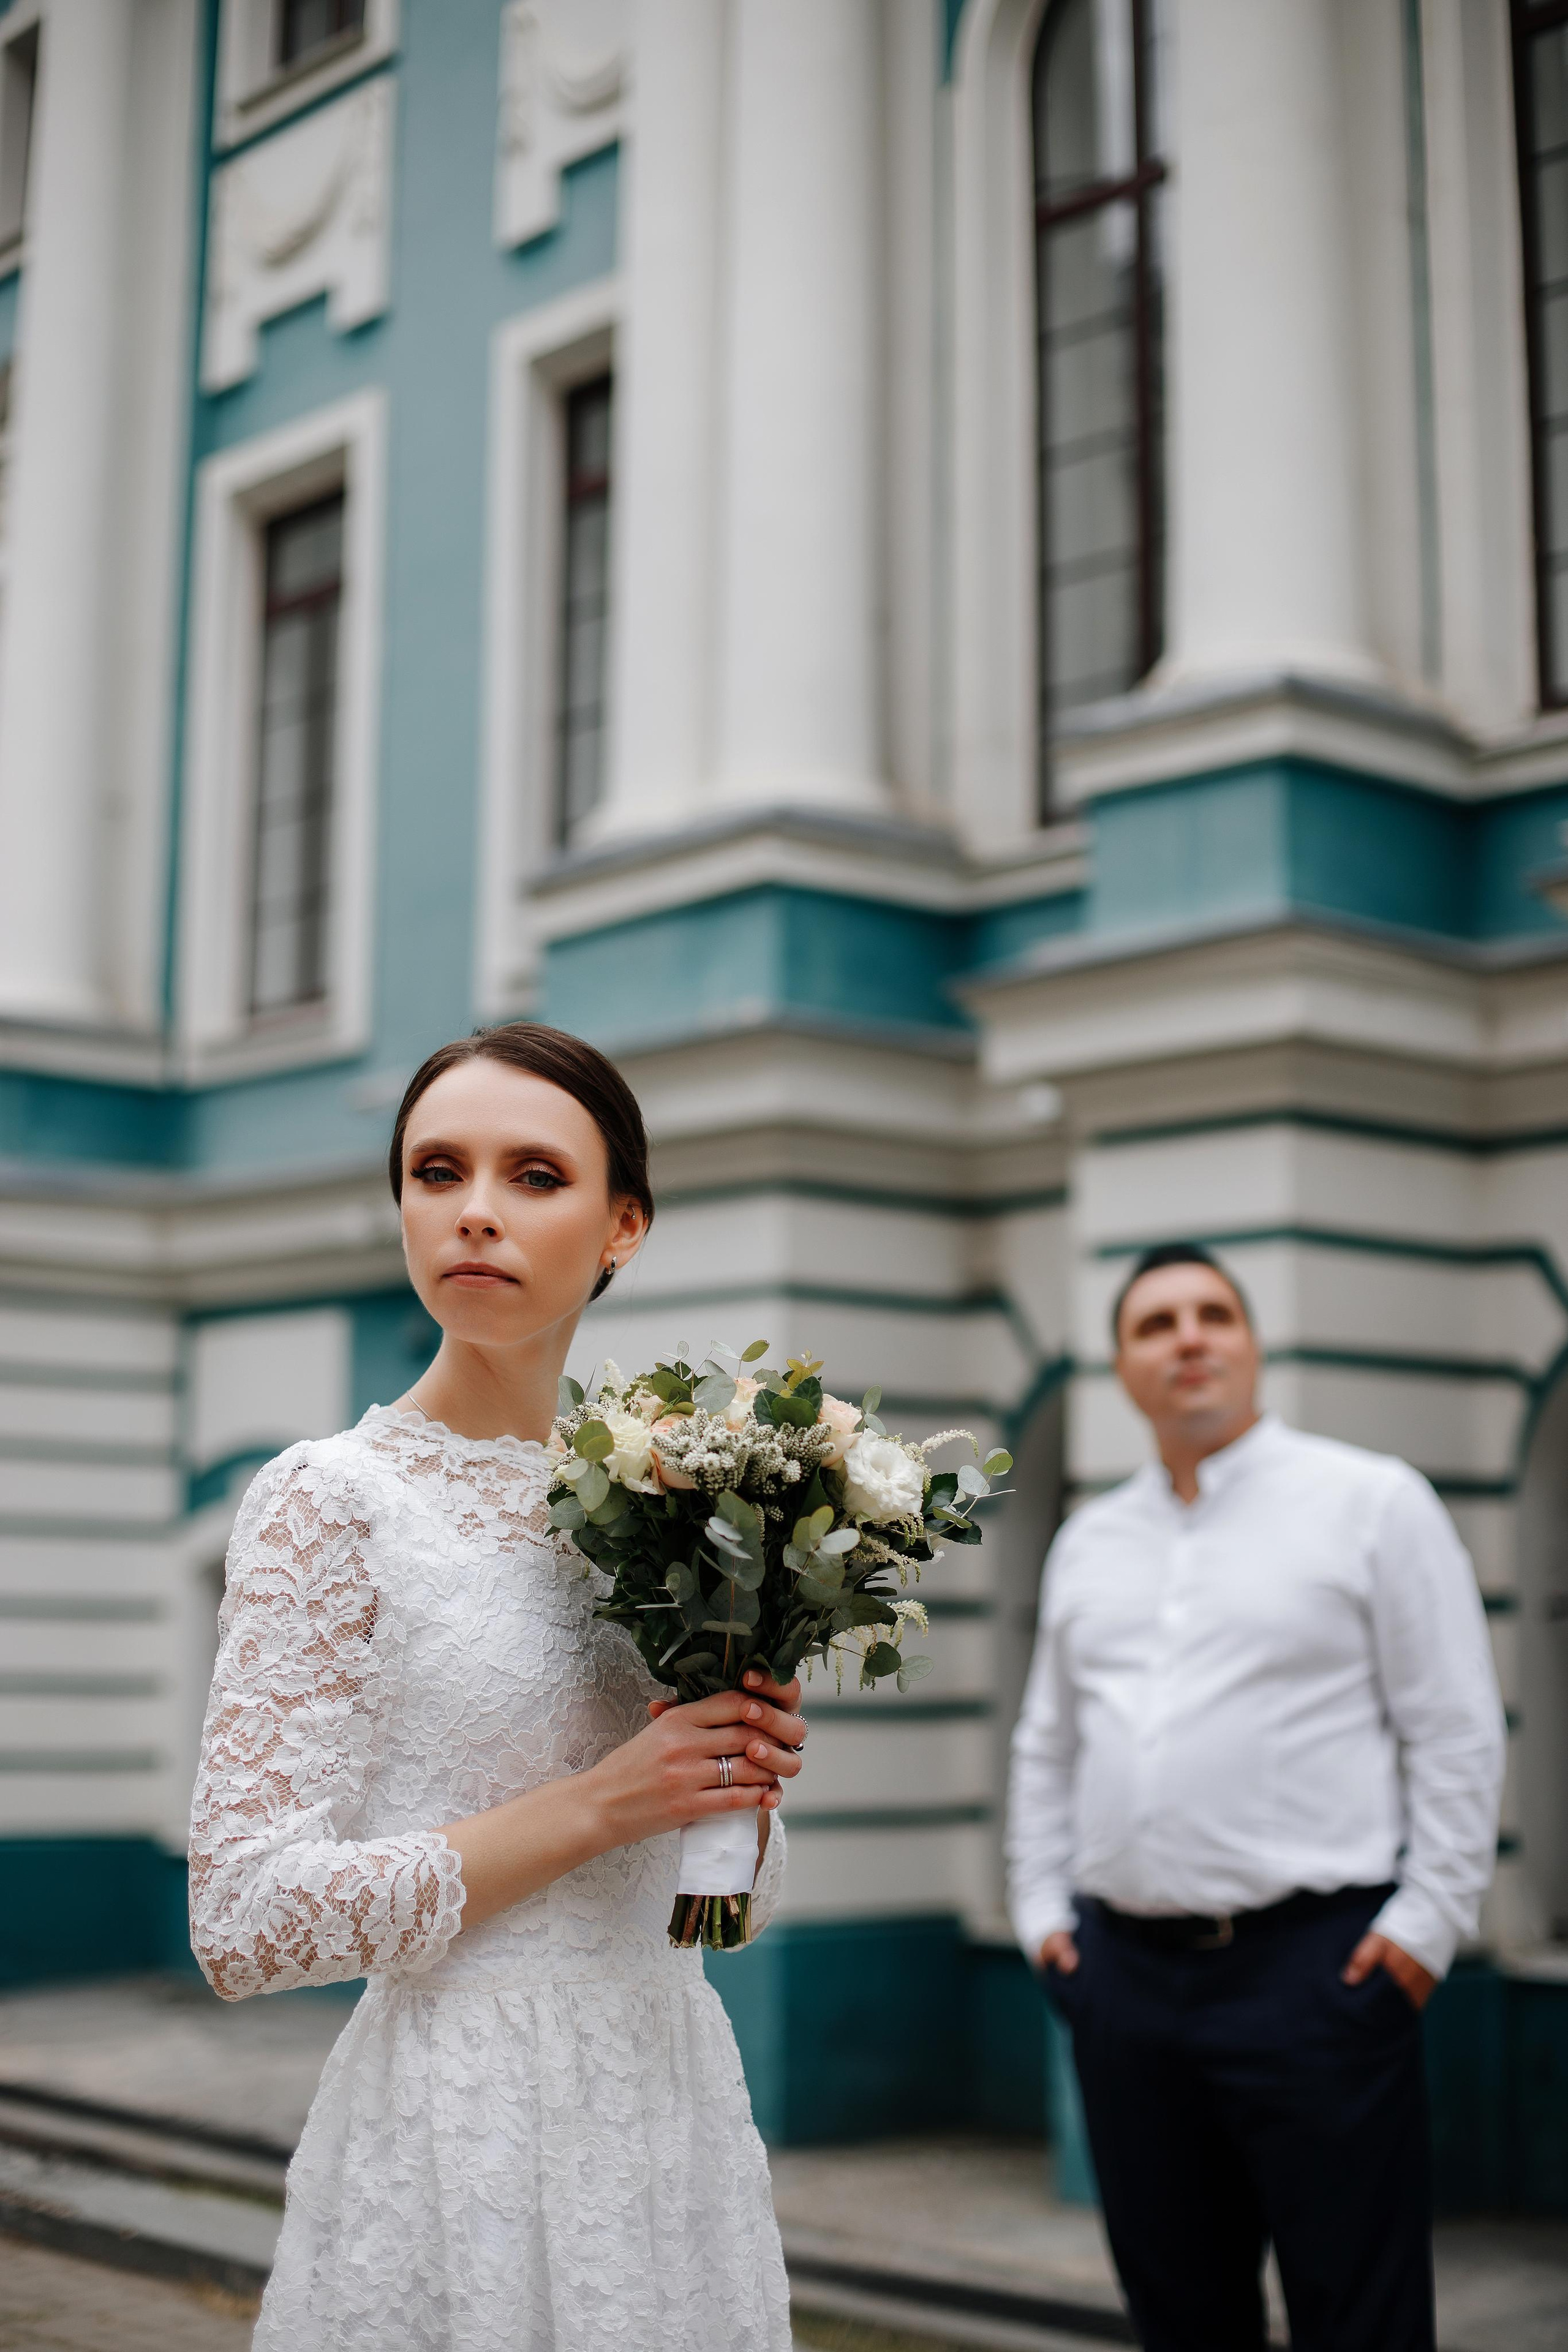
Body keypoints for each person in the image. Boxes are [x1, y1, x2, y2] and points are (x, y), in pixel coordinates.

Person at [189, 1023, 806, 2351]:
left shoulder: (682, 1505)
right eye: (435, 1172)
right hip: (453, 2125)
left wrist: (733, 1792)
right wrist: (600, 1804)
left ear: (621, 1223)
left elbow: (711, 1912)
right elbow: (241, 1923)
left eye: (534, 1176)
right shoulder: (328, 1500)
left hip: (662, 2110)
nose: (475, 1212)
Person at [1006, 1242, 1506, 2352]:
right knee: (1180, 2314)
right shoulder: (1092, 1539)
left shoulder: (1373, 1503)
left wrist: (1426, 1929)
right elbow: (1049, 1745)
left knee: (1358, 2315)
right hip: (1122, 1986)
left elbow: (1458, 1730)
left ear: (1251, 1345)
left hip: (1318, 1978)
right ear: (1123, 1369)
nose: (1189, 1337)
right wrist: (1043, 1920)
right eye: (1156, 1324)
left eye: (1213, 1315)